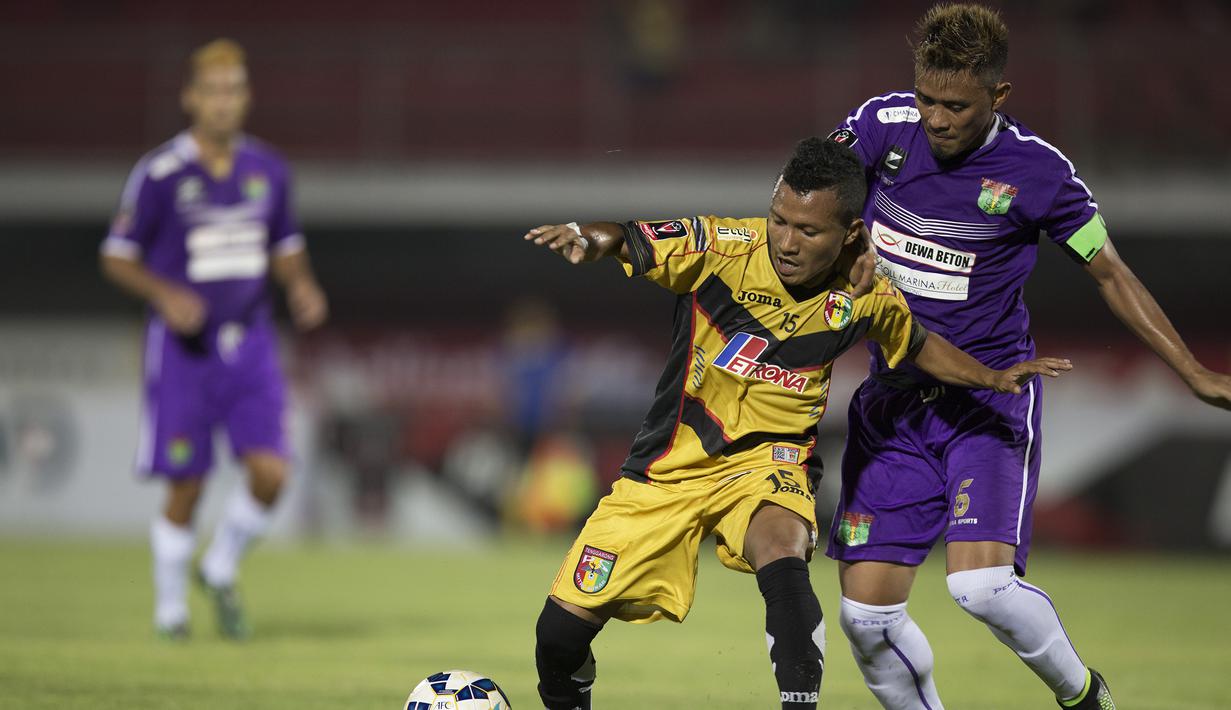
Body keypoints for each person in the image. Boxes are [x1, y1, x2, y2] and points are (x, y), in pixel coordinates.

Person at [524, 137, 1072, 710]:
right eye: (779, 221)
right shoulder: (722, 247)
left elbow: (917, 343)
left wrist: (991, 377)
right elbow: (627, 238)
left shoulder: (865, 295)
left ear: (850, 233)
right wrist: (585, 237)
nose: (786, 242)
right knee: (557, 638)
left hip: (771, 464)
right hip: (668, 469)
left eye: (808, 231)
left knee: (783, 559)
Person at [823, 4, 1231, 709]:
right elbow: (807, 193)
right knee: (865, 619)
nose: (936, 119)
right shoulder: (879, 125)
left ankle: (1085, 697)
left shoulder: (1037, 172)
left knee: (980, 587)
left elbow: (1109, 272)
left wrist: (1191, 370)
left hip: (987, 400)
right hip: (892, 405)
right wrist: (843, 250)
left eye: (956, 106)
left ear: (998, 95)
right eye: (926, 99)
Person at [100, 38, 328, 641]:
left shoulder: (269, 170)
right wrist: (164, 294)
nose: (224, 101)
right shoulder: (161, 173)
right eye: (213, 91)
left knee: (272, 473)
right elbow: (117, 255)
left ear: (247, 98)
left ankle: (220, 566)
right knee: (188, 482)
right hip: (183, 352)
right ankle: (171, 613)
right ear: (190, 98)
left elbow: (286, 245)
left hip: (251, 343)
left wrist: (301, 284)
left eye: (234, 90)